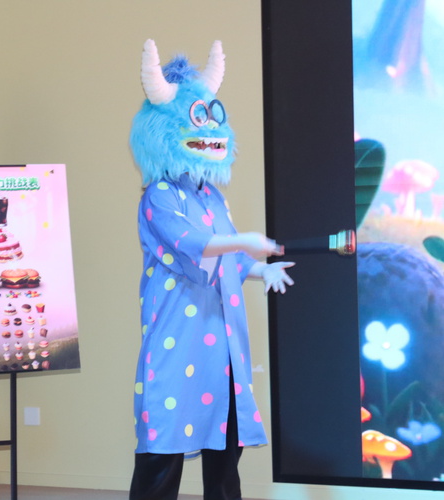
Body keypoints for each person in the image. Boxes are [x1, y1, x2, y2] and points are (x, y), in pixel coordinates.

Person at [128, 40, 295, 500]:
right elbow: (195, 246)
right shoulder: (158, 197)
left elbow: (229, 260)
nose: (211, 131)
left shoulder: (211, 196)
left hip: (222, 347)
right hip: (177, 345)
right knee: (160, 459)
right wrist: (245, 241)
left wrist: (261, 270)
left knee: (225, 460)